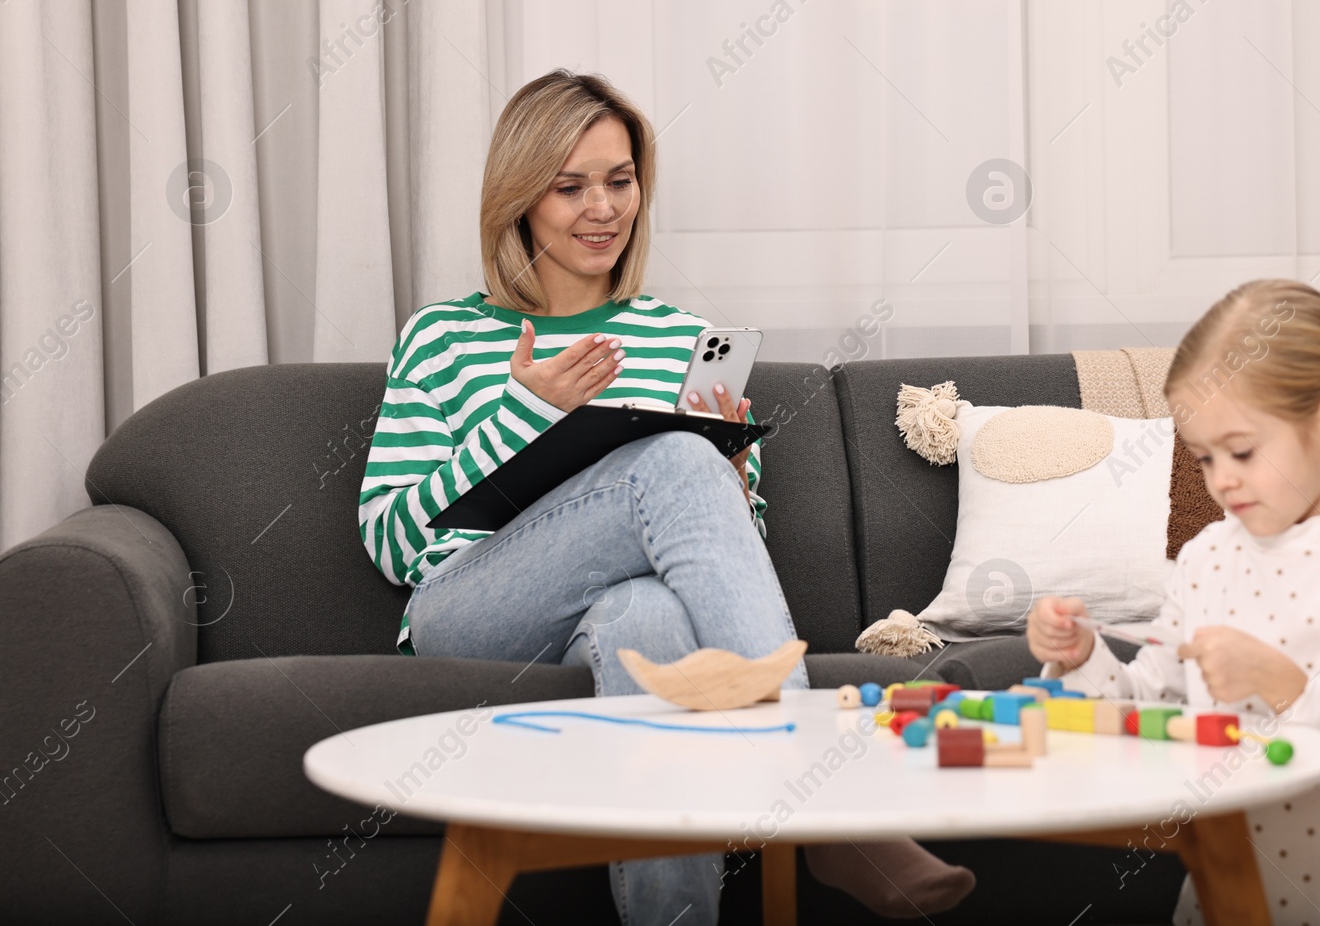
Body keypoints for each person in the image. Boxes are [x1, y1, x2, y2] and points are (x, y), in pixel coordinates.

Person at [357, 69, 974, 925]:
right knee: (676, 463)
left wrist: (730, 474)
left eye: (620, 180)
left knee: (644, 617)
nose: (602, 208)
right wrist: (529, 411)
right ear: (520, 200)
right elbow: (391, 538)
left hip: (617, 608)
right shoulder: (443, 335)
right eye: (570, 187)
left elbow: (716, 548)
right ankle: (825, 800)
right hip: (469, 608)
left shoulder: (681, 339)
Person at [1026, 278, 1320, 926]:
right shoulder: (1206, 557)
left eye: (1243, 450)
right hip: (1224, 894)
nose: (1221, 478)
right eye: (1204, 456)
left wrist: (1283, 683)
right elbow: (1150, 704)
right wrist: (1085, 654)